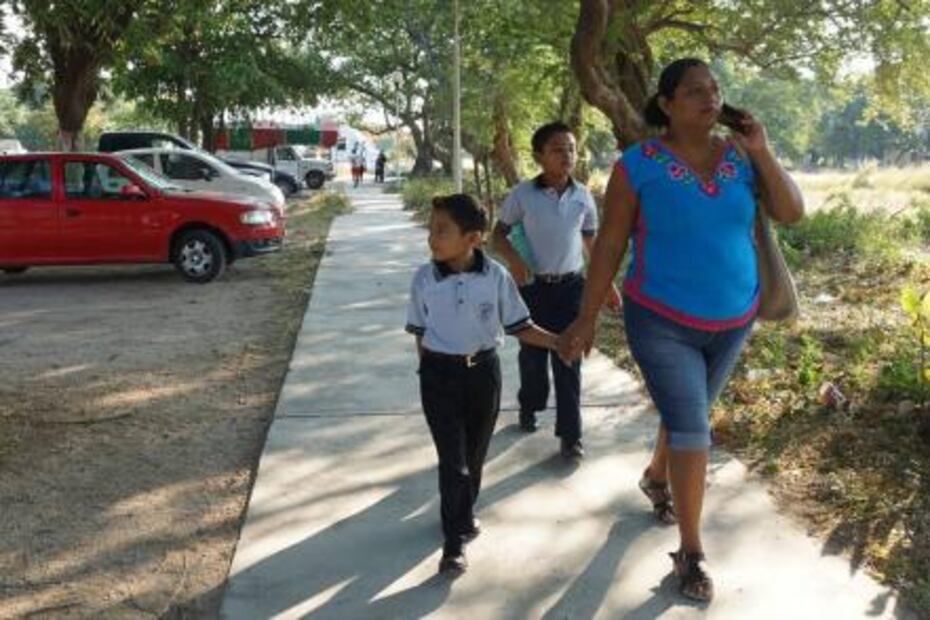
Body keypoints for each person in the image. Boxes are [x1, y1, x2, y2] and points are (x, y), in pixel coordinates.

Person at [557, 58, 804, 601]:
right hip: (661, 320)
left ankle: (655, 474)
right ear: (666, 104)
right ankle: (691, 554)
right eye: (694, 91)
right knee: (693, 427)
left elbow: (791, 212)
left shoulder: (741, 156)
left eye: (714, 89)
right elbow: (611, 247)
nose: (709, 98)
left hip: (735, 318)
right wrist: (586, 315)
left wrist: (762, 150)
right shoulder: (636, 164)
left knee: (686, 412)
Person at [406, 193, 560, 575]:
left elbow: (520, 326)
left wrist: (559, 342)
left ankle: (461, 510)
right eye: (431, 229)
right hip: (439, 377)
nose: (432, 238)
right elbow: (419, 331)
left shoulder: (496, 277)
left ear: (473, 238)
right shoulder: (425, 278)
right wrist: (429, 369)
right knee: (453, 460)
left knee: (473, 456)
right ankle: (453, 542)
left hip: (483, 376)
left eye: (442, 230)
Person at [491, 121, 619, 460]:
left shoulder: (583, 197)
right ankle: (529, 405)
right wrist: (515, 262)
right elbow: (498, 234)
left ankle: (570, 435)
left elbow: (592, 242)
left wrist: (607, 286)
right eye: (557, 149)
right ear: (539, 156)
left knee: (569, 357)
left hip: (571, 289)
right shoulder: (522, 195)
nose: (567, 156)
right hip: (533, 290)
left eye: (571, 149)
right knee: (533, 360)